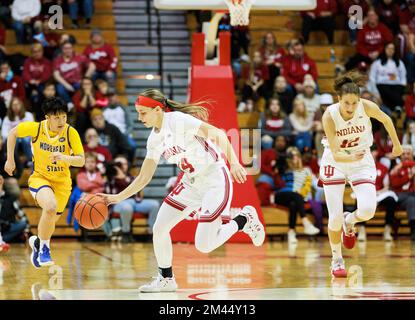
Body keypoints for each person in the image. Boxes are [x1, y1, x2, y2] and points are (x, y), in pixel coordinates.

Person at [98, 89, 266, 292]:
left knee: (204, 245)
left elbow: (218, 134)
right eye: (138, 112)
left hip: (214, 177)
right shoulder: (154, 139)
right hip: (190, 183)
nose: (139, 117)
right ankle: (166, 278)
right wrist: (117, 197)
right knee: (159, 228)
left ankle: (244, 219)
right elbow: (144, 177)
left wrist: (235, 163)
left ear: (158, 110)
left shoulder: (178, 120)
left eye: (143, 112)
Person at [320, 70, 402, 278]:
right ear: (339, 99)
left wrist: (397, 145)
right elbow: (337, 153)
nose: (350, 107)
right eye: (346, 103)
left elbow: (386, 119)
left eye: (354, 103)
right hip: (336, 160)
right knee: (334, 217)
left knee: (367, 211)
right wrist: (350, 158)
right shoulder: (329, 115)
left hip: (361, 159)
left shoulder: (366, 107)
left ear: (359, 100)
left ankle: (351, 221)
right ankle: (336, 259)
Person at [4, 97, 85, 267]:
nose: (61, 121)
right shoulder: (36, 128)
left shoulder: (71, 133)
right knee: (50, 206)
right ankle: (44, 251)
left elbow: (81, 160)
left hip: (62, 184)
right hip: (40, 178)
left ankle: (38, 244)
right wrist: (10, 160)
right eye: (57, 117)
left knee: (49, 221)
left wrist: (64, 158)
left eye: (64, 117)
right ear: (47, 117)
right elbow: (12, 133)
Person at [103, 155, 160, 242]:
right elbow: (107, 192)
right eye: (119, 164)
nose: (122, 166)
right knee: (127, 207)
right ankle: (126, 233)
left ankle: (151, 233)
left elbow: (135, 189)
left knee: (154, 205)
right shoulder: (110, 178)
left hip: (135, 202)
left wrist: (122, 176)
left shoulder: (131, 176)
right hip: (118, 203)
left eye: (124, 164)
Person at [274, 146, 321, 243]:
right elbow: (279, 161)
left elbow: (309, 185)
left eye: (296, 156)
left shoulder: (306, 170)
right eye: (292, 156)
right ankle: (306, 222)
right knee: (295, 196)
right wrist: (288, 156)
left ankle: (291, 232)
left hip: (297, 198)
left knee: (293, 204)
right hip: (281, 195)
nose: (294, 158)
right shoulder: (285, 168)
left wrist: (303, 193)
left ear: (300, 157)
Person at [357, 146, 398, 242]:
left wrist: (378, 193)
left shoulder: (383, 168)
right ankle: (361, 230)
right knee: (359, 200)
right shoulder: (362, 168)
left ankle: (387, 230)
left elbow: (387, 186)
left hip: (380, 193)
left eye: (373, 152)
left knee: (391, 201)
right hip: (366, 193)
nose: (372, 154)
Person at [368, 42, 407, 113]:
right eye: (388, 48)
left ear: (395, 51)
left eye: (392, 49)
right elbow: (372, 78)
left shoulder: (400, 63)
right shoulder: (377, 63)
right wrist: (375, 91)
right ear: (384, 49)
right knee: (386, 90)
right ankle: (400, 104)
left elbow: (403, 77)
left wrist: (402, 86)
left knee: (396, 91)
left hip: (397, 86)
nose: (390, 50)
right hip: (382, 85)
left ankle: (394, 108)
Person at [389, 144, 415, 241]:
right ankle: (413, 231)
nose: (406, 156)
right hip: (400, 195)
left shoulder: (409, 165)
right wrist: (408, 177)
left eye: (408, 154)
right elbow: (395, 184)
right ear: (400, 156)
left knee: (412, 200)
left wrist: (404, 164)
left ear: (412, 155)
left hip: (412, 195)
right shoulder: (396, 168)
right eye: (403, 154)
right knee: (412, 201)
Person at [1, 97, 34, 166]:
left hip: (26, 137)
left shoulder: (28, 115)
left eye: (18, 104)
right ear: (10, 107)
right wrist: (14, 136)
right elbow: (4, 134)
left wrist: (22, 135)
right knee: (14, 140)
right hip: (14, 138)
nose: (16, 107)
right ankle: (12, 161)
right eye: (14, 105)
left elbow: (32, 129)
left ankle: (31, 161)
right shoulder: (7, 118)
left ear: (21, 105)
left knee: (25, 140)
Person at [0, 175, 29, 244]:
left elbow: (23, 216)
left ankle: (2, 240)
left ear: (2, 182)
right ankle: (4, 240)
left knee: (23, 224)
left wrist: (26, 230)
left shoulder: (11, 199)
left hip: (7, 228)